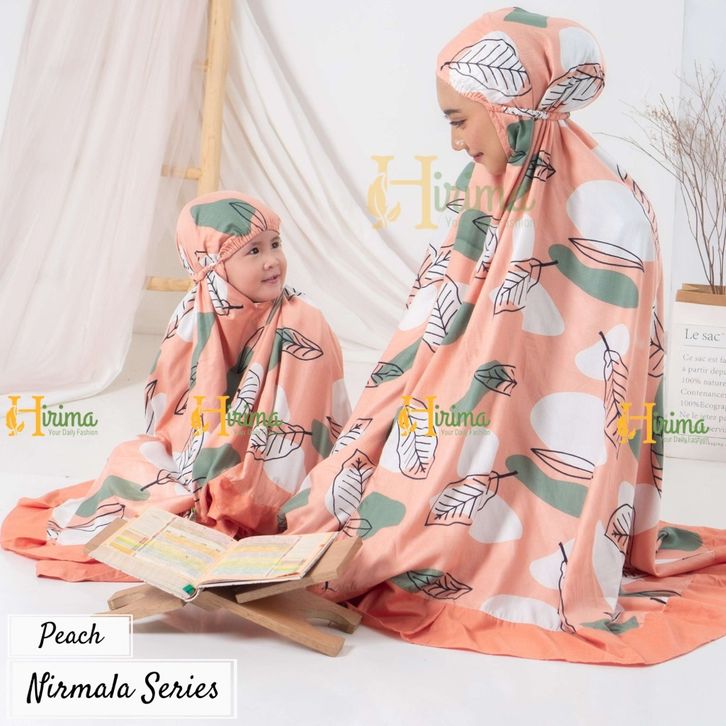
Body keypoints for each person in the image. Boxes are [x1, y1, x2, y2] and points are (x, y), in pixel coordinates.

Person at [280, 7, 726, 665]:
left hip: (554, 449)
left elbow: (613, 390)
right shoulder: (482, 187)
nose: (455, 141)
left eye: (460, 119)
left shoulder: (614, 209)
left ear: (506, 105)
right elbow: (433, 318)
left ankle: (497, 540)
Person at [1, 191, 351, 581]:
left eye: (275, 244)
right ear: (213, 265)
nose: (272, 260)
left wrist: (231, 479)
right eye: (253, 251)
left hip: (274, 467)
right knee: (128, 461)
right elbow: (174, 416)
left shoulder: (302, 322)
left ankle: (222, 502)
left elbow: (300, 429)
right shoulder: (193, 315)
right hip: (204, 452)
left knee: (228, 499)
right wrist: (202, 466)